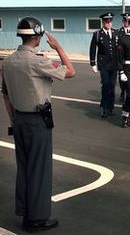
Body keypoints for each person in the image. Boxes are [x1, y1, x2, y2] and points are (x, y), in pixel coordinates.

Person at [1, 17, 75, 233]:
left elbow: (5, 95)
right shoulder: (37, 61)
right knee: (40, 170)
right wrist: (58, 47)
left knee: (24, 168)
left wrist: (14, 119)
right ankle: (38, 218)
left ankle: (25, 211)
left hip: (19, 119)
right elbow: (70, 71)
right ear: (37, 35)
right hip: (37, 121)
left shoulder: (8, 61)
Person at [89, 13, 120, 118]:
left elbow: (119, 49)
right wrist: (93, 63)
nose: (109, 23)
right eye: (107, 22)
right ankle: (104, 107)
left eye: (110, 21)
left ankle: (111, 107)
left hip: (114, 64)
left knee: (112, 86)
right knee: (105, 85)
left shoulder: (116, 33)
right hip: (104, 64)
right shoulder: (98, 34)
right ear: (103, 22)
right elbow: (93, 49)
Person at [117, 13, 130, 101]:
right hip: (122, 58)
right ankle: (123, 91)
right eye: (125, 21)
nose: (126, 23)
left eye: (128, 21)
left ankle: (128, 92)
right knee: (121, 77)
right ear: (123, 22)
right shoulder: (118, 32)